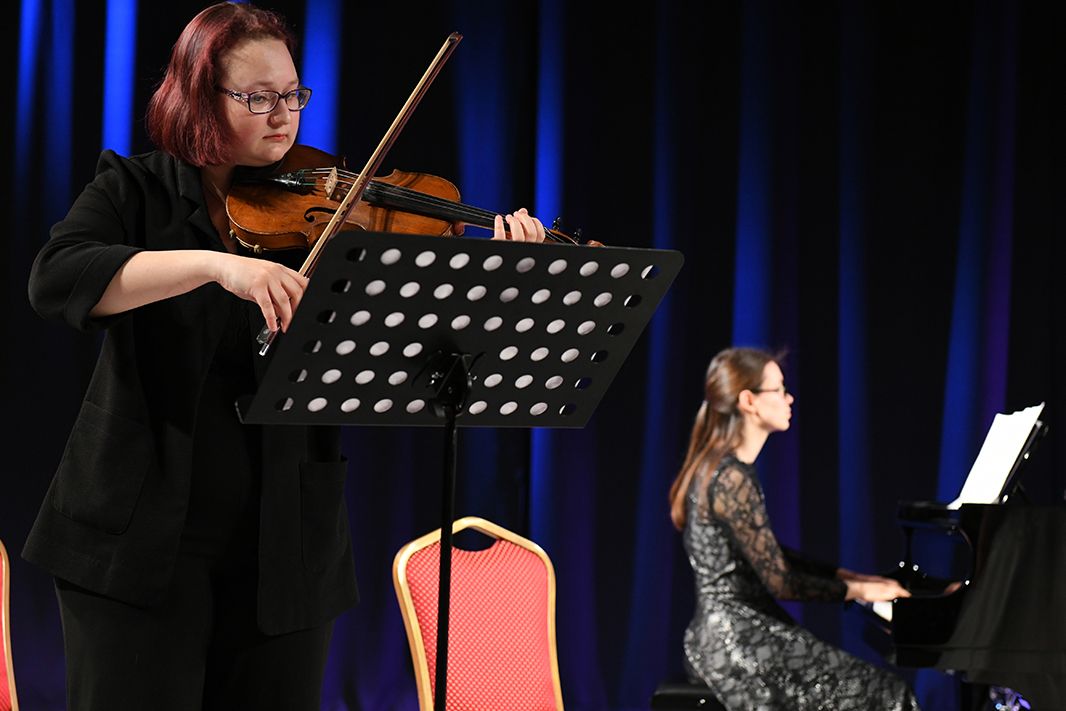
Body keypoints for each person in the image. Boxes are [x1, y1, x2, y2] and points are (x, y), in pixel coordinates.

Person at [23, 3, 547, 710]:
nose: (284, 116)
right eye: (258, 98)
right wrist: (216, 266)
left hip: (285, 545)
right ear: (199, 98)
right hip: (134, 543)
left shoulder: (334, 211)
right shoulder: (135, 189)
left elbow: (423, 349)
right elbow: (57, 278)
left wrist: (505, 277)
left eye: (293, 94)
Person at [668, 347, 922, 710]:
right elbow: (781, 582)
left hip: (733, 631)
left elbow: (773, 556)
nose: (789, 398)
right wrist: (858, 589)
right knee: (888, 694)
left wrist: (849, 577)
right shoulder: (731, 478)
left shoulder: (725, 470)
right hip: (732, 639)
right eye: (779, 389)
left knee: (877, 689)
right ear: (749, 401)